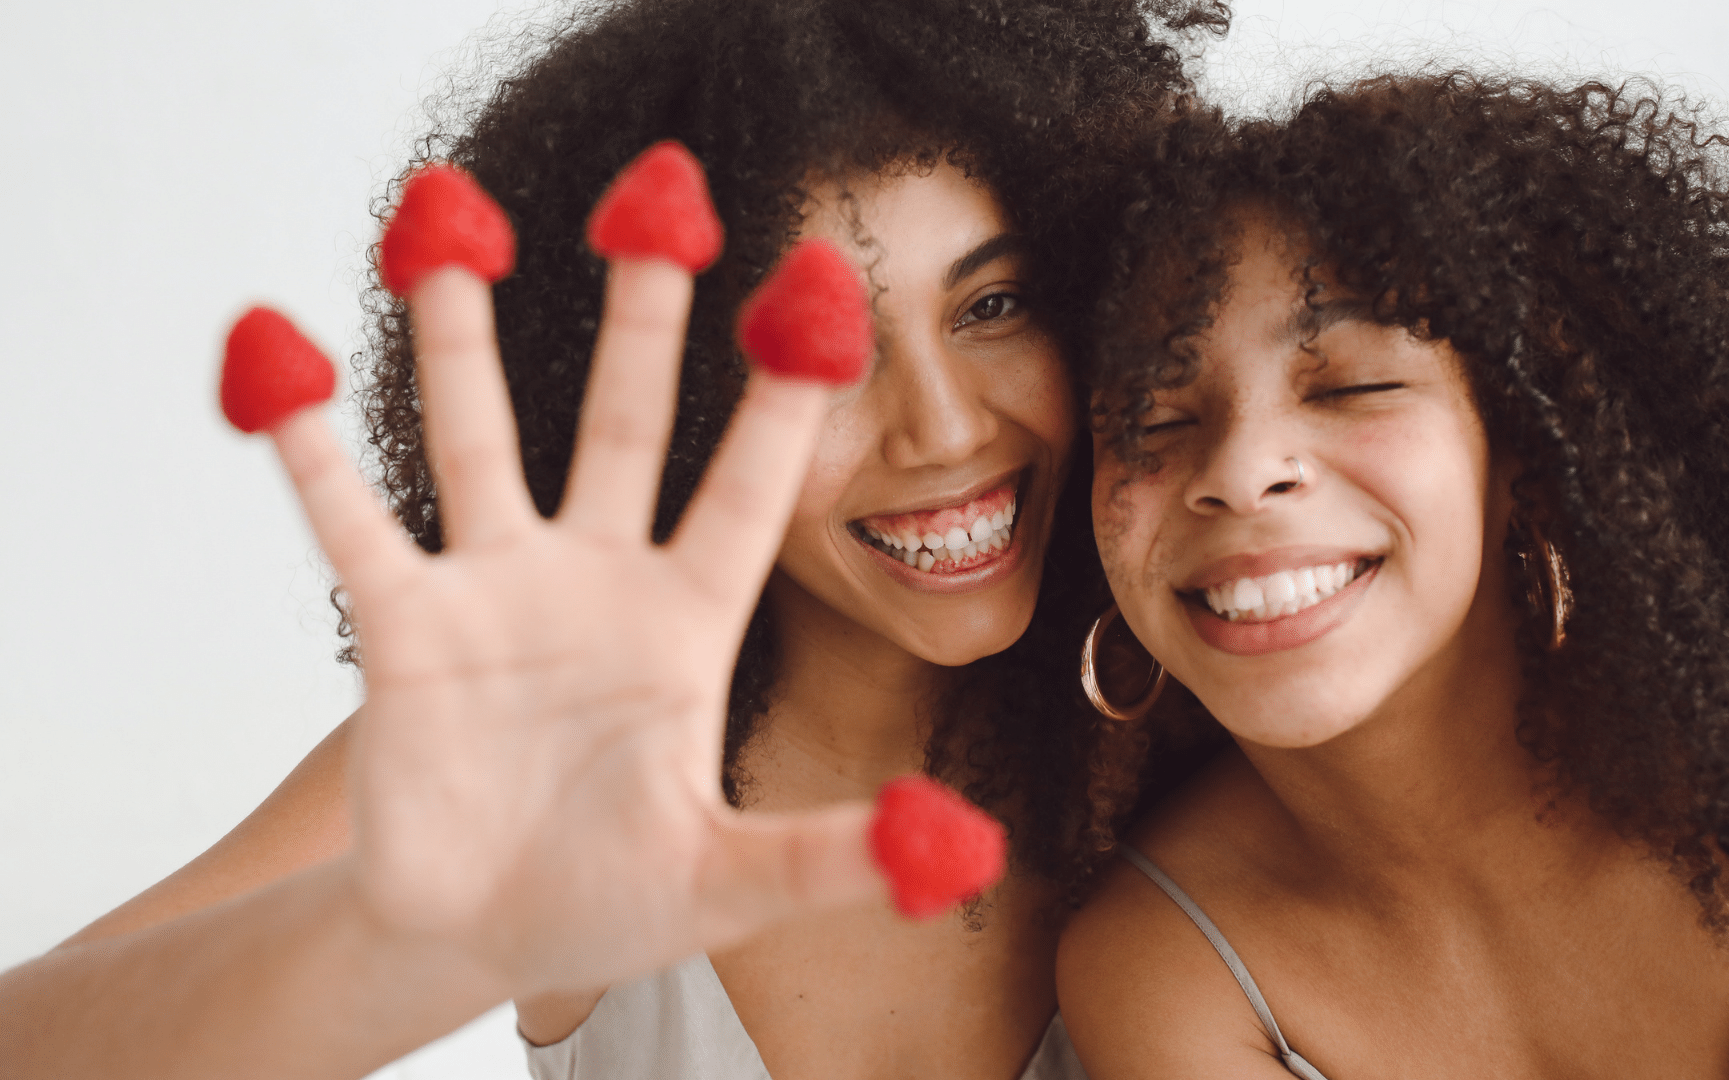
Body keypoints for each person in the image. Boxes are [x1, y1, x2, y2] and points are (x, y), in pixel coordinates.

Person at [0, 2, 1225, 1077]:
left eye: (993, 306)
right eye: (815, 350)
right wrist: (405, 950)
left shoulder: (1224, 709)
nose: (946, 428)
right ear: (679, 403)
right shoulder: (555, 743)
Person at [1058, 73, 1729, 1078]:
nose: (1241, 474)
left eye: (1351, 385)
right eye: (1151, 422)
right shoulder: (1160, 966)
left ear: (1523, 447)